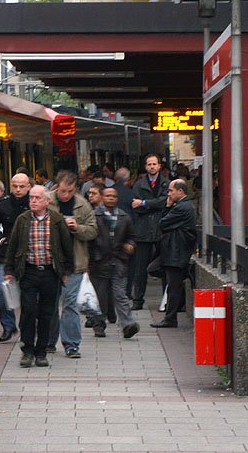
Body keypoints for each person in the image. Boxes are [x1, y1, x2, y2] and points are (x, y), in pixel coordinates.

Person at [4, 185, 74, 368]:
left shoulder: (57, 220)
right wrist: (9, 270)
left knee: (46, 313)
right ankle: (27, 350)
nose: (33, 201)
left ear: (47, 201)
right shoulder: (23, 220)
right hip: (28, 271)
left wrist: (67, 271)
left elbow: (67, 246)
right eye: (31, 198)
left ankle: (41, 352)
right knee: (28, 311)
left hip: (50, 272)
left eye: (37, 198)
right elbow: (13, 246)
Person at [47, 170, 97, 359]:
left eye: (69, 191)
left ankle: (71, 344)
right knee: (49, 304)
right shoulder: (47, 201)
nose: (65, 195)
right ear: (56, 187)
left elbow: (93, 231)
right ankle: (49, 342)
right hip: (50, 261)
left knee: (70, 304)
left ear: (75, 189)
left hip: (75, 262)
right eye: (62, 191)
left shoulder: (82, 206)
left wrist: (77, 228)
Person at [90, 186, 139, 339]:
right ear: (102, 198)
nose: (111, 198)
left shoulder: (124, 217)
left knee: (120, 294)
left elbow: (132, 236)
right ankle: (99, 325)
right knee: (101, 297)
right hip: (99, 261)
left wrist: (130, 245)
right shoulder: (94, 216)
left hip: (118, 261)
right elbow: (88, 240)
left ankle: (127, 324)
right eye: (108, 195)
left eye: (113, 196)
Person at [0, 173, 32, 343]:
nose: (18, 189)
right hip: (6, 253)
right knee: (1, 288)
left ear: (28, 187)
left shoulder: (33, 202)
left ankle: (28, 327)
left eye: (22, 186)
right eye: (15, 186)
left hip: (29, 251)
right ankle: (8, 326)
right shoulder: (4, 204)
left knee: (28, 292)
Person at [150, 179, 197, 328]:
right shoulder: (182, 206)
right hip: (173, 251)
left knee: (172, 287)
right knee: (154, 269)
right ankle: (184, 277)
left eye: (171, 191)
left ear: (180, 191)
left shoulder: (182, 208)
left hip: (176, 251)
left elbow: (163, 223)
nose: (169, 194)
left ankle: (170, 319)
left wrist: (167, 207)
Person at [129, 154, 169, 310]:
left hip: (161, 229)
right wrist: (154, 205)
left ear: (159, 166)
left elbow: (166, 203)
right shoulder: (138, 185)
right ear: (145, 167)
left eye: (154, 164)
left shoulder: (166, 184)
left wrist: (145, 203)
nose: (152, 166)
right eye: (149, 164)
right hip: (143, 230)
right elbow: (135, 207)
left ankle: (167, 301)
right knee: (140, 268)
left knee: (165, 267)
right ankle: (137, 300)